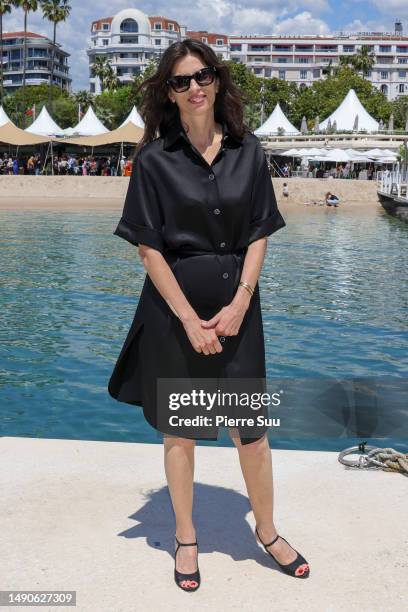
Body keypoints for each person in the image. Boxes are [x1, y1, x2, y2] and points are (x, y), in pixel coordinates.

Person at [108, 39, 310, 592]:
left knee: (253, 432)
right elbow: (149, 248)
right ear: (168, 94)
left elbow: (260, 230)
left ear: (218, 82)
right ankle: (186, 535)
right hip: (176, 316)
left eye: (203, 75)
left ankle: (267, 530)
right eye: (180, 81)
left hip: (241, 310)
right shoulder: (153, 159)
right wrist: (190, 321)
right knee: (182, 433)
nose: (194, 86)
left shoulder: (250, 151)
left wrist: (242, 298)